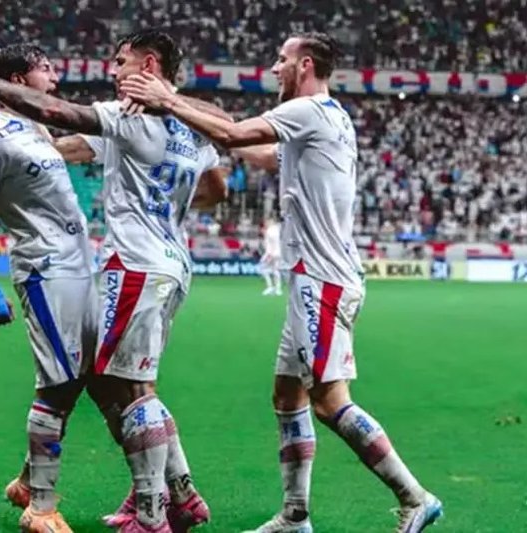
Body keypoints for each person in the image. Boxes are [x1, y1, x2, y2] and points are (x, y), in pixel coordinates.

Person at [120, 32, 442, 533]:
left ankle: (414, 495)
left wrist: (168, 101)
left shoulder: (309, 109)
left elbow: (235, 137)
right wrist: (198, 120)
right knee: (287, 396)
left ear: (305, 65)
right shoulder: (326, 117)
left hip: (323, 277)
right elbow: (265, 155)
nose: (274, 68)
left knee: (330, 400)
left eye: (281, 60)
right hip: (311, 277)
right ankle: (295, 516)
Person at [0, 29, 229, 533]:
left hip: (135, 264)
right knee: (110, 383)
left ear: (148, 66)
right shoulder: (194, 124)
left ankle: (150, 515)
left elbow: (59, 116)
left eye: (121, 62)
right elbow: (216, 187)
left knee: (132, 390)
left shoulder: (128, 119)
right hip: (170, 263)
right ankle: (179, 496)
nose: (111, 70)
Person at [0, 44, 98, 533]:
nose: (55, 79)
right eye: (47, 70)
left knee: (78, 379)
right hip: (44, 269)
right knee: (56, 382)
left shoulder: (37, 127)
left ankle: (25, 479)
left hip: (80, 266)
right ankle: (40, 508)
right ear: (19, 79)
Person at [260, 216, 282, 296]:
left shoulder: (269, 231)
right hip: (278, 253)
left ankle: (270, 287)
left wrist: (269, 254)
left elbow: (270, 244)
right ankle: (277, 289)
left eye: (267, 222)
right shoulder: (277, 229)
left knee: (263, 268)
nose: (265, 224)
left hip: (271, 253)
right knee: (275, 271)